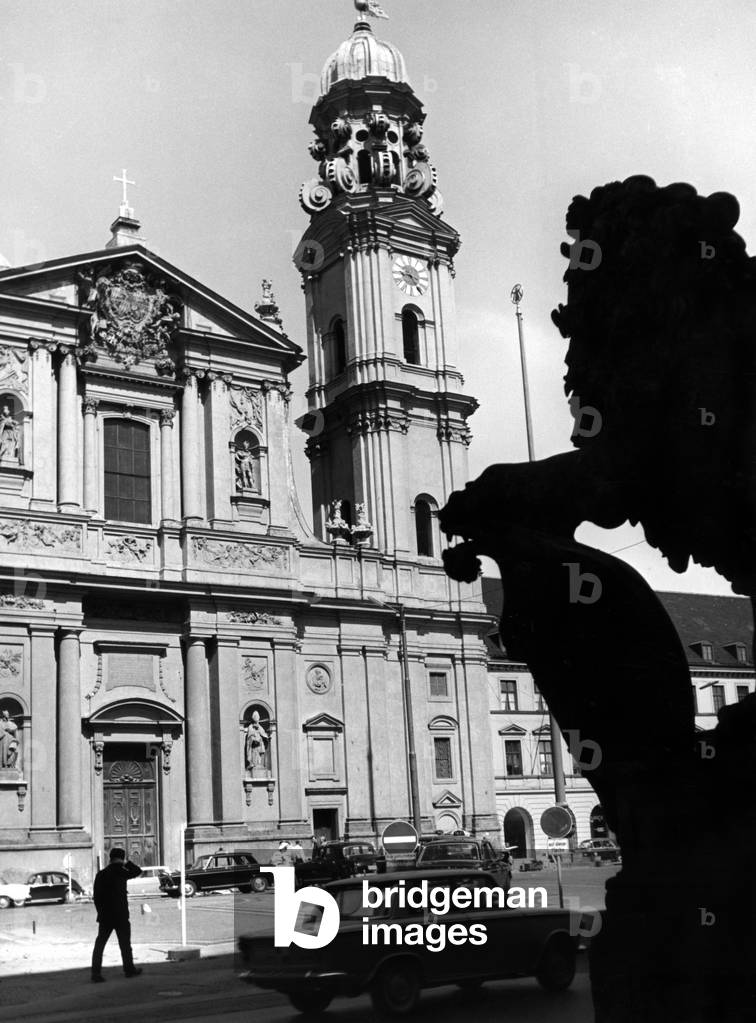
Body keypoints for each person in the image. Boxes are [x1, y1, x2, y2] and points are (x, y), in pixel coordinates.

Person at [91, 848, 142, 982]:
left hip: (105, 916)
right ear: (122, 858)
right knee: (125, 944)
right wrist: (127, 863)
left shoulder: (101, 874)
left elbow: (96, 897)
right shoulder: (122, 872)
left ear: (110, 858)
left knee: (100, 944)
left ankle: (95, 973)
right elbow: (138, 871)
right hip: (121, 915)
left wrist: (100, 913)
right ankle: (129, 970)